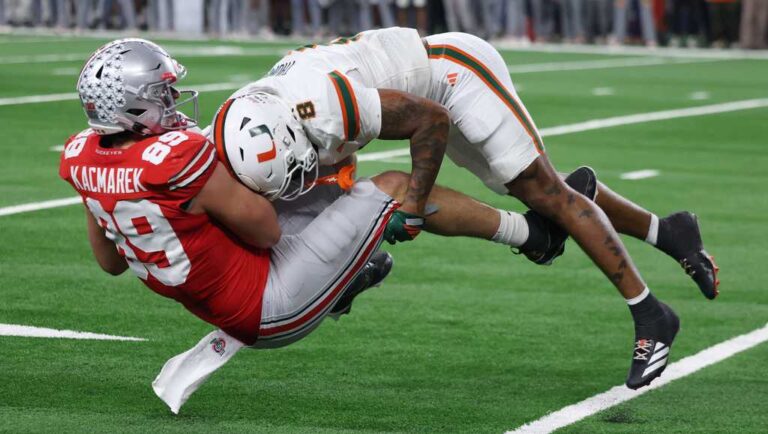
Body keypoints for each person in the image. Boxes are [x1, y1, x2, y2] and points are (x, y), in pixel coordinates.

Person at [61, 38, 593, 411]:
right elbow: (266, 231)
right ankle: (535, 236)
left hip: (222, 295)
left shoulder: (82, 155)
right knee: (388, 188)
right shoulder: (176, 158)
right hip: (270, 303)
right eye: (164, 94)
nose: (176, 100)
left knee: (313, 184)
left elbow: (110, 263)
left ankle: (351, 270)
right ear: (138, 107)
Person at [212, 27, 720, 391]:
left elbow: (429, 120)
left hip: (452, 77)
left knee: (544, 193)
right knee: (533, 189)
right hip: (413, 94)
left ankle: (652, 314)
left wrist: (413, 202)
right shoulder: (242, 123)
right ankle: (669, 231)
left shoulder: (323, 108)